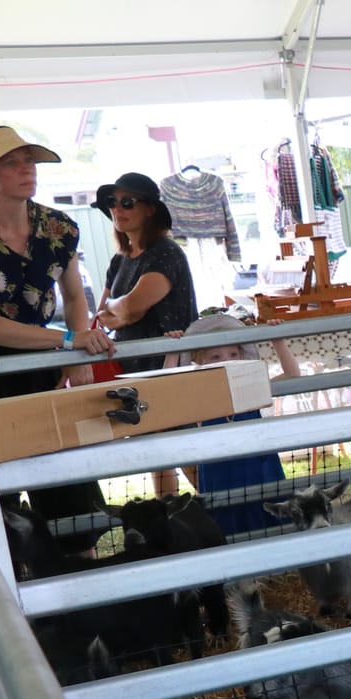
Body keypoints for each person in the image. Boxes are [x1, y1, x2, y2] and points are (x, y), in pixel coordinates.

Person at [0, 119, 118, 543]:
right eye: (12, 163)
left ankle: (81, 568)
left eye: (29, 160)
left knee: (65, 487)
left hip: (38, 362)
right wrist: (69, 341)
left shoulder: (59, 227)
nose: (27, 169)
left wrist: (77, 354)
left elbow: (74, 297)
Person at [162, 313, 300, 534]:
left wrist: (278, 340)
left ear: (241, 356)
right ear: (200, 361)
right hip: (220, 471)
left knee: (269, 514)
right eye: (215, 356)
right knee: (227, 519)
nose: (225, 360)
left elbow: (292, 375)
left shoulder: (251, 388)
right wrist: (173, 352)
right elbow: (167, 390)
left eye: (233, 354)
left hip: (259, 467)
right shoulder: (199, 394)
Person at [96, 171, 196, 375]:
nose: (117, 209)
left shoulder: (166, 252)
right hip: (128, 367)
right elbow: (101, 317)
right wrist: (125, 315)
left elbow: (130, 306)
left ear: (150, 210)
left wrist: (113, 306)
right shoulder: (119, 260)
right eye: (111, 201)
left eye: (127, 202)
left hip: (170, 367)